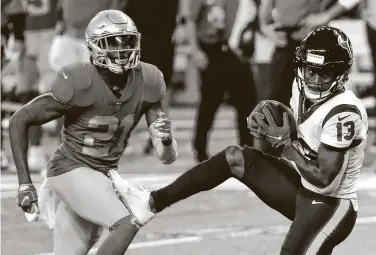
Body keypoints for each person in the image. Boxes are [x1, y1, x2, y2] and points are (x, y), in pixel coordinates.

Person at [122, 26, 369, 254]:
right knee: (235, 157)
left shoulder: (343, 113)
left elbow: (324, 179)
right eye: (311, 70)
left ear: (341, 74)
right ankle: (153, 201)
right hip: (303, 189)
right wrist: (275, 124)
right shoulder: (299, 86)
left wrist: (286, 146)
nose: (315, 79)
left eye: (325, 73)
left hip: (332, 205)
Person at [9, 10, 178, 255]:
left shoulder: (148, 80)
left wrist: (167, 139)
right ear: (95, 47)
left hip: (100, 175)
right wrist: (25, 184)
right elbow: (19, 119)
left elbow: (167, 156)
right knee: (126, 221)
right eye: (113, 43)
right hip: (70, 170)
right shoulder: (80, 80)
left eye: (127, 41)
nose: (122, 50)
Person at [188, 0, 258, 162]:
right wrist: (194, 50)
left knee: (247, 101)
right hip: (211, 47)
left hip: (237, 48)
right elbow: (190, 19)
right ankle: (200, 147)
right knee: (210, 101)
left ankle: (247, 149)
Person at [259, 0, 361, 106]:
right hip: (283, 43)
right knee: (275, 101)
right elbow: (266, 8)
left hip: (316, 45)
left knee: (316, 100)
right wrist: (264, 26)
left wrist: (327, 15)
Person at [123, 0, 179, 155]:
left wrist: (181, 24)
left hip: (162, 37)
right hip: (138, 38)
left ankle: (161, 138)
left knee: (160, 90)